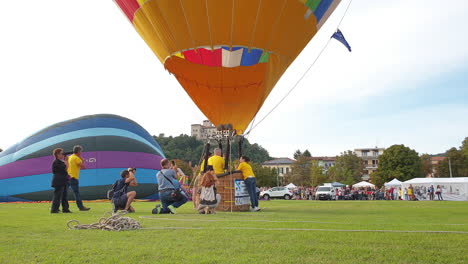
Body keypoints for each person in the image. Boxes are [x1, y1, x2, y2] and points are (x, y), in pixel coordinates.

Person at [66, 145, 90, 211]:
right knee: (76, 193)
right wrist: (83, 160)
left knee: (63, 193)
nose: (81, 153)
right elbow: (83, 167)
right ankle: (81, 207)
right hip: (73, 177)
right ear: (79, 151)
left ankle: (62, 207)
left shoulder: (70, 157)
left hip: (67, 176)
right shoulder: (76, 158)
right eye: (81, 151)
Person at [50, 148, 71, 213]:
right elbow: (66, 168)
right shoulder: (56, 162)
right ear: (57, 154)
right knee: (57, 196)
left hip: (64, 180)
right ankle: (54, 209)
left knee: (65, 196)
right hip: (59, 181)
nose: (63, 155)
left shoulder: (61, 162)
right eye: (61, 153)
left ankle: (65, 209)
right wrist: (66, 161)